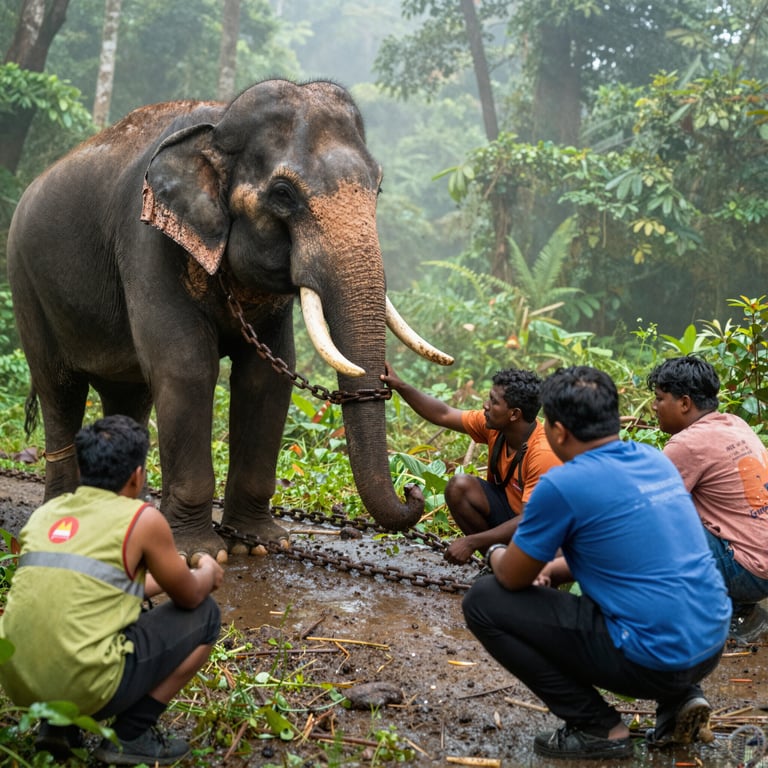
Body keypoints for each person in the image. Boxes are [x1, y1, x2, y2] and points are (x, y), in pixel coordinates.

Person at [462, 366, 730, 760]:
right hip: (710, 643)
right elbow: (630, 550)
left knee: (483, 600)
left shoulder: (563, 484)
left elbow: (512, 577)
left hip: (655, 659)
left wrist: (492, 550)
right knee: (649, 600)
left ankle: (598, 726)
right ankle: (679, 700)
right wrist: (554, 568)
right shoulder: (653, 460)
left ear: (558, 431)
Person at [0, 415, 224, 766]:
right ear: (137, 476)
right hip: (88, 684)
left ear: (81, 470)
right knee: (206, 615)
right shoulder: (141, 518)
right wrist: (207, 571)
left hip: (19, 684)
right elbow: (190, 596)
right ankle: (132, 735)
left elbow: (98, 586)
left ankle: (57, 726)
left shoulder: (47, 513)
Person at [380, 363, 561, 565]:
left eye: (493, 402)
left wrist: (471, 542)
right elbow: (443, 414)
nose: (485, 405)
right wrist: (400, 386)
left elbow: (532, 521)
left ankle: (521, 567)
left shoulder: (543, 453)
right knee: (459, 487)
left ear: (514, 414)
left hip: (543, 533)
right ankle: (497, 562)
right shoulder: (495, 427)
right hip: (512, 513)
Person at [648, 355, 768, 643]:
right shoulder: (735, 423)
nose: (654, 406)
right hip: (761, 564)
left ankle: (716, 613)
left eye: (660, 398)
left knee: (653, 527)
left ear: (684, 403)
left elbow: (649, 510)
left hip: (751, 573)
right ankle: (743, 613)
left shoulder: (687, 444)